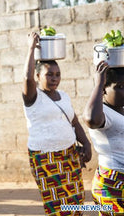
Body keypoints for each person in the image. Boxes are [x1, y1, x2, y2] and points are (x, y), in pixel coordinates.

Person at [22, 32, 92, 215]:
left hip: (69, 155)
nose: (54, 78)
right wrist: (31, 48)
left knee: (76, 200)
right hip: (46, 158)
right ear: (38, 76)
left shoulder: (64, 96)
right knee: (56, 206)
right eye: (49, 74)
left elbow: (74, 122)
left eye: (57, 74)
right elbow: (26, 79)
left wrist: (86, 142)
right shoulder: (33, 97)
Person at [83, 61, 124, 214]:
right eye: (119, 87)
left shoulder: (121, 109)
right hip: (112, 184)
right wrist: (98, 83)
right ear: (104, 90)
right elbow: (90, 119)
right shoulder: (103, 114)